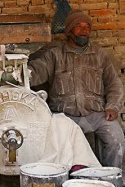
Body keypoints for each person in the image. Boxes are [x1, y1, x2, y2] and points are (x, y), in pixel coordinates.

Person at [28, 9, 125, 169]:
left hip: (96, 114)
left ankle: (114, 179)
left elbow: (114, 84)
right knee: (56, 149)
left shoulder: (99, 55)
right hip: (65, 117)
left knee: (117, 141)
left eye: (87, 26)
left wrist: (113, 106)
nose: (84, 30)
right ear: (69, 31)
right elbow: (37, 71)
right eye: (78, 26)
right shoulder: (55, 55)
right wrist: (20, 74)